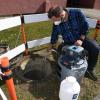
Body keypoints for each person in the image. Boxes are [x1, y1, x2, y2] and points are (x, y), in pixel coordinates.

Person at [47, 6, 100, 81]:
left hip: (81, 39)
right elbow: (54, 34)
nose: (54, 22)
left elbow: (86, 27)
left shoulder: (76, 13)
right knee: (60, 50)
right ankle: (65, 70)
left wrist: (81, 39)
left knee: (95, 48)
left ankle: (90, 70)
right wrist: (51, 44)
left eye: (55, 20)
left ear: (61, 15)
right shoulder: (56, 23)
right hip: (68, 42)